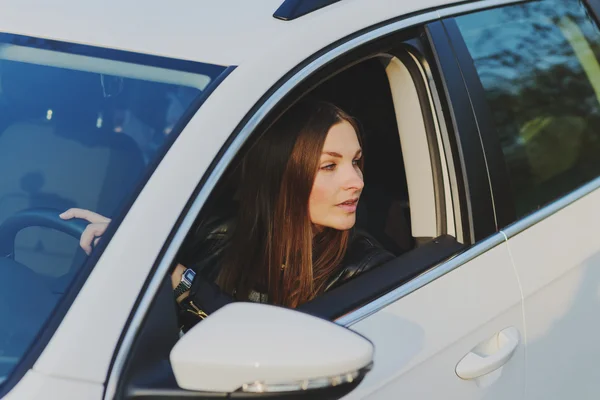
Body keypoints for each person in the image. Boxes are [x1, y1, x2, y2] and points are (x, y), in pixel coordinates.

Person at [60, 99, 394, 331]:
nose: (357, 181)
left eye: (355, 161)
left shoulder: (366, 271)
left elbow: (268, 357)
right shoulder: (217, 233)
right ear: (281, 175)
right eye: (330, 166)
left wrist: (177, 276)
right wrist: (130, 241)